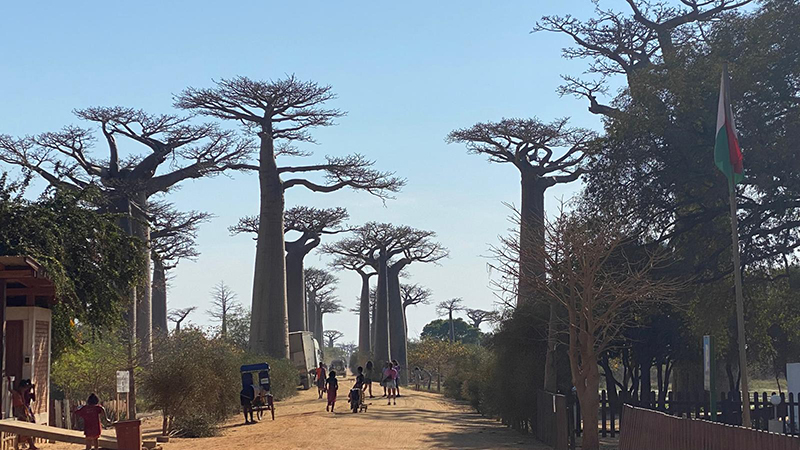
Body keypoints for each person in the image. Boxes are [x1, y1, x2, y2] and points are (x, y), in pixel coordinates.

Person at [9, 378, 37, 449]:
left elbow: (32, 399)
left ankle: (31, 444)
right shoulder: (17, 394)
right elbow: (21, 404)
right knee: (24, 427)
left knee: (29, 425)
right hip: (20, 411)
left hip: (24, 410)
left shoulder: (23, 394)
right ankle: (25, 444)